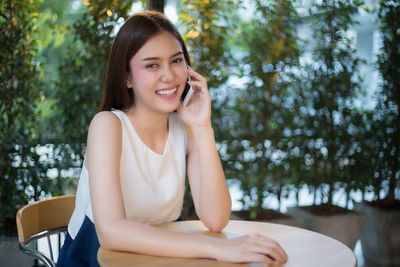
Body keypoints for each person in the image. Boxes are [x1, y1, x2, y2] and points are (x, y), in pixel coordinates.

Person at [57, 10, 288, 267]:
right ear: (126, 77)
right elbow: (111, 231)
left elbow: (216, 219)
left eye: (176, 60)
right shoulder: (107, 125)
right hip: (97, 255)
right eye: (152, 65)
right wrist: (216, 247)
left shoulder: (184, 127)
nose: (169, 75)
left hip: (163, 251)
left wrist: (202, 127)